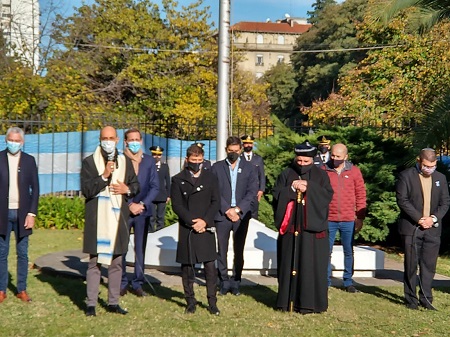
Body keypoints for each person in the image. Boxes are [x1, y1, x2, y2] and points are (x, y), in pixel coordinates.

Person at [81, 126, 140, 316]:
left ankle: (113, 302)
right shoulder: (90, 162)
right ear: (100, 140)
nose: (108, 141)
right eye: (104, 138)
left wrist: (127, 189)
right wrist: (105, 175)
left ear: (116, 140)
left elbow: (135, 185)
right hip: (97, 220)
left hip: (117, 219)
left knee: (116, 263)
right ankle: (91, 303)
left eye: (111, 138)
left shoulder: (124, 161)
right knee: (94, 263)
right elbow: (87, 190)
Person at [273, 141, 333, 314]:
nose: (302, 165)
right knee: (288, 265)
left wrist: (309, 188)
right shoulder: (286, 174)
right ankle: (286, 302)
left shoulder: (321, 176)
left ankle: (310, 304)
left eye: (306, 162)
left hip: (311, 232)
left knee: (311, 268)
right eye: (299, 161)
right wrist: (291, 188)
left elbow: (326, 196)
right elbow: (277, 195)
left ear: (312, 160)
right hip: (291, 230)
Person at [396, 148, 450, 310]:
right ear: (419, 161)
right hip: (412, 228)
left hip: (432, 229)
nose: (429, 169)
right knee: (411, 264)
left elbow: (445, 202)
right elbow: (403, 200)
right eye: (426, 165)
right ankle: (411, 299)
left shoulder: (440, 177)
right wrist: (419, 219)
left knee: (429, 265)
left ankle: (426, 298)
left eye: (432, 166)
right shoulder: (406, 176)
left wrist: (432, 219)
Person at [171, 144, 221, 315]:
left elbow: (216, 202)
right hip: (189, 227)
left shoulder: (211, 177)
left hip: (205, 226)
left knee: (210, 267)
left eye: (200, 161)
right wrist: (192, 222)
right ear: (187, 160)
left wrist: (205, 221)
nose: (197, 164)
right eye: (194, 161)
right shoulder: (178, 179)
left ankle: (212, 302)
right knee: (187, 268)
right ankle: (190, 301)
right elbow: (177, 205)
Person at [211, 136, 258, 296]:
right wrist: (227, 210)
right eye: (230, 151)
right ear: (226, 150)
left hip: (241, 215)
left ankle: (236, 281)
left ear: (241, 150)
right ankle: (223, 281)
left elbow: (252, 192)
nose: (233, 153)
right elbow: (214, 191)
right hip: (222, 215)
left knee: (239, 250)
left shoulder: (250, 167)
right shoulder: (216, 168)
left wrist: (238, 210)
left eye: (236, 151)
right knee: (221, 250)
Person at [0, 127, 39, 303]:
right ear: (5, 140)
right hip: (3, 214)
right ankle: (1, 289)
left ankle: (21, 289)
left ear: (22, 142)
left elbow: (35, 190)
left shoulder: (29, 161)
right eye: (11, 140)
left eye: (17, 141)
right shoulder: (0, 158)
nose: (13, 143)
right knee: (2, 253)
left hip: (23, 214)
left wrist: (31, 213)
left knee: (22, 253)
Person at [120, 128, 159, 297]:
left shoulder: (149, 161)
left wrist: (142, 204)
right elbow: (116, 185)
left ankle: (137, 282)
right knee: (121, 247)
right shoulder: (120, 160)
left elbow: (155, 186)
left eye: (137, 139)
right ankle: (121, 281)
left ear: (141, 141)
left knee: (140, 248)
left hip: (143, 210)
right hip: (124, 210)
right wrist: (129, 204)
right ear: (125, 142)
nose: (134, 142)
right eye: (131, 140)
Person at [324, 143, 367, 293]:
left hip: (348, 219)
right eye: (333, 155)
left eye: (338, 157)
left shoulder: (354, 172)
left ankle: (348, 281)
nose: (334, 159)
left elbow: (361, 194)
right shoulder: (324, 170)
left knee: (348, 250)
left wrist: (360, 217)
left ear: (346, 157)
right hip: (329, 218)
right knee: (325, 251)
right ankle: (325, 281)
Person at [240, 135, 266, 219]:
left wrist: (261, 189)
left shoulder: (258, 159)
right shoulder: (239, 158)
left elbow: (261, 175)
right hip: (242, 190)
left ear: (253, 145)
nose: (248, 145)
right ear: (243, 145)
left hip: (254, 190)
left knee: (253, 214)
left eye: (250, 144)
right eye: (246, 143)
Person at [150, 146, 171, 232]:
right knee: (151, 215)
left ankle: (159, 231)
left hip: (162, 194)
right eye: (154, 154)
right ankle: (150, 231)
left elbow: (168, 181)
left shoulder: (165, 166)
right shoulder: (149, 166)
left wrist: (169, 195)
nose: (157, 156)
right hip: (150, 194)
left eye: (158, 155)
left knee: (160, 216)